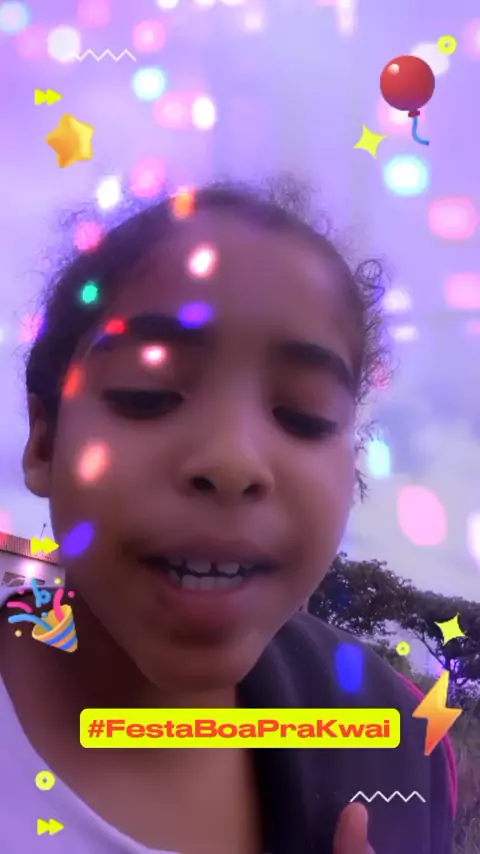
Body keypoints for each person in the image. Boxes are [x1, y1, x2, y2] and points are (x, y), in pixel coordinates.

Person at [0, 179, 456, 854]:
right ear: (45, 441)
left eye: (303, 415)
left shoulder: (396, 752)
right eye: (146, 393)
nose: (233, 459)